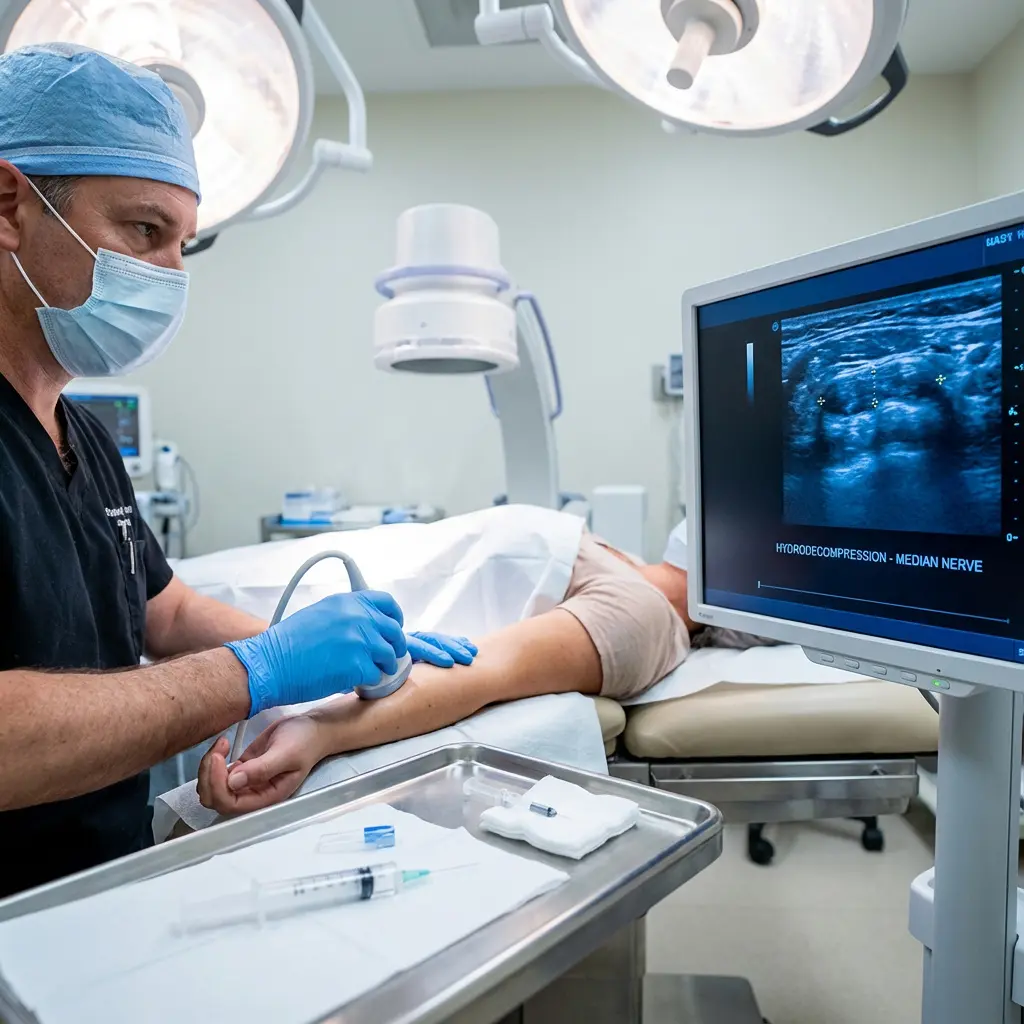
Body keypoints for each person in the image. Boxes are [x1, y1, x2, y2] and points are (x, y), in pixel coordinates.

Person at [0, 43, 470, 897]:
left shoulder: (86, 437)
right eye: (144, 230)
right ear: (8, 206)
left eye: (186, 243)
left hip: (96, 884)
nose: (173, 273)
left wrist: (311, 644)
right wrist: (259, 672)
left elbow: (162, 609)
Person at [197, 526, 698, 815]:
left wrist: (319, 731)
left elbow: (477, 672)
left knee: (150, 608)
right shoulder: (619, 559)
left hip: (224, 602)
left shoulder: (644, 617)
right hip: (220, 594)